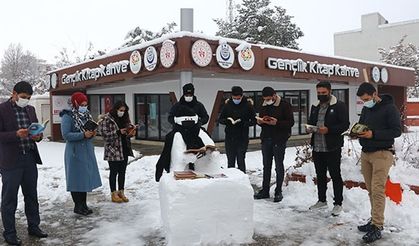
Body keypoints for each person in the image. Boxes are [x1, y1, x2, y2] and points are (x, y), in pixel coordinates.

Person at [0, 81, 48, 245]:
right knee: (9, 199)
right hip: (10, 161)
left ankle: (34, 226)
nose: (25, 100)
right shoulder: (2, 109)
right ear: (14, 94)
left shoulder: (31, 109)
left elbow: (36, 131)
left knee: (31, 195)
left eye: (28, 98)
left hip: (29, 158)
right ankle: (10, 233)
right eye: (23, 97)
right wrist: (15, 134)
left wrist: (38, 136)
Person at [355, 82, 401, 243]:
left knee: (377, 190)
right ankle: (374, 220)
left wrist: (373, 134)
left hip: (382, 153)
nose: (365, 102)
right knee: (370, 190)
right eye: (362, 100)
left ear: (375, 94)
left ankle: (378, 226)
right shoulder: (367, 108)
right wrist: (356, 132)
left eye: (367, 98)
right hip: (366, 153)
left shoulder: (390, 108)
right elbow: (363, 125)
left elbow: (396, 131)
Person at [306, 81, 349, 216]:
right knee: (320, 175)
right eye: (319, 93)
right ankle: (321, 200)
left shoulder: (339, 106)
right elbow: (312, 121)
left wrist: (329, 130)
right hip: (317, 146)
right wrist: (309, 127)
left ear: (330, 91)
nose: (321, 95)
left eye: (323, 93)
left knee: (335, 175)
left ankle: (338, 203)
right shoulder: (315, 106)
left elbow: (345, 125)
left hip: (332, 146)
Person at [60, 92, 102, 216]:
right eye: (82, 104)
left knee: (84, 179)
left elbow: (88, 131)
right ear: (75, 103)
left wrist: (92, 134)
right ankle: (77, 206)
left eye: (85, 104)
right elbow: (66, 135)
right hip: (74, 152)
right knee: (75, 179)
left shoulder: (86, 115)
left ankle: (83, 204)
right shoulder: (68, 116)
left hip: (86, 151)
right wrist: (83, 135)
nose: (84, 106)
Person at [254, 86, 294, 202]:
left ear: (274, 95)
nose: (267, 101)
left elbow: (290, 122)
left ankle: (278, 191)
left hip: (279, 139)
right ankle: (265, 190)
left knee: (278, 165)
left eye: (269, 98)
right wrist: (260, 121)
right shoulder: (264, 105)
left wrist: (277, 123)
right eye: (265, 99)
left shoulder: (284, 105)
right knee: (266, 165)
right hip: (266, 138)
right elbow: (262, 118)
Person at [99, 101, 135, 203]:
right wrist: (118, 132)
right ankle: (113, 193)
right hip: (113, 150)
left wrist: (130, 132)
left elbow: (127, 133)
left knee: (122, 172)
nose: (122, 112)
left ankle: (121, 191)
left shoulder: (125, 119)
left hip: (124, 148)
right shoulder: (107, 119)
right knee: (114, 172)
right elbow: (105, 135)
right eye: (121, 110)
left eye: (124, 111)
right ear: (115, 109)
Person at [218, 86, 256, 173]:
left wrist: (244, 123)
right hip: (230, 137)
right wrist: (227, 121)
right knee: (230, 161)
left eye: (238, 98)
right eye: (234, 98)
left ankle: (242, 178)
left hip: (242, 137)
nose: (236, 99)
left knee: (240, 159)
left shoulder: (248, 105)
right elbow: (221, 119)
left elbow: (254, 120)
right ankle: (231, 179)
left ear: (242, 96)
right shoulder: (228, 105)